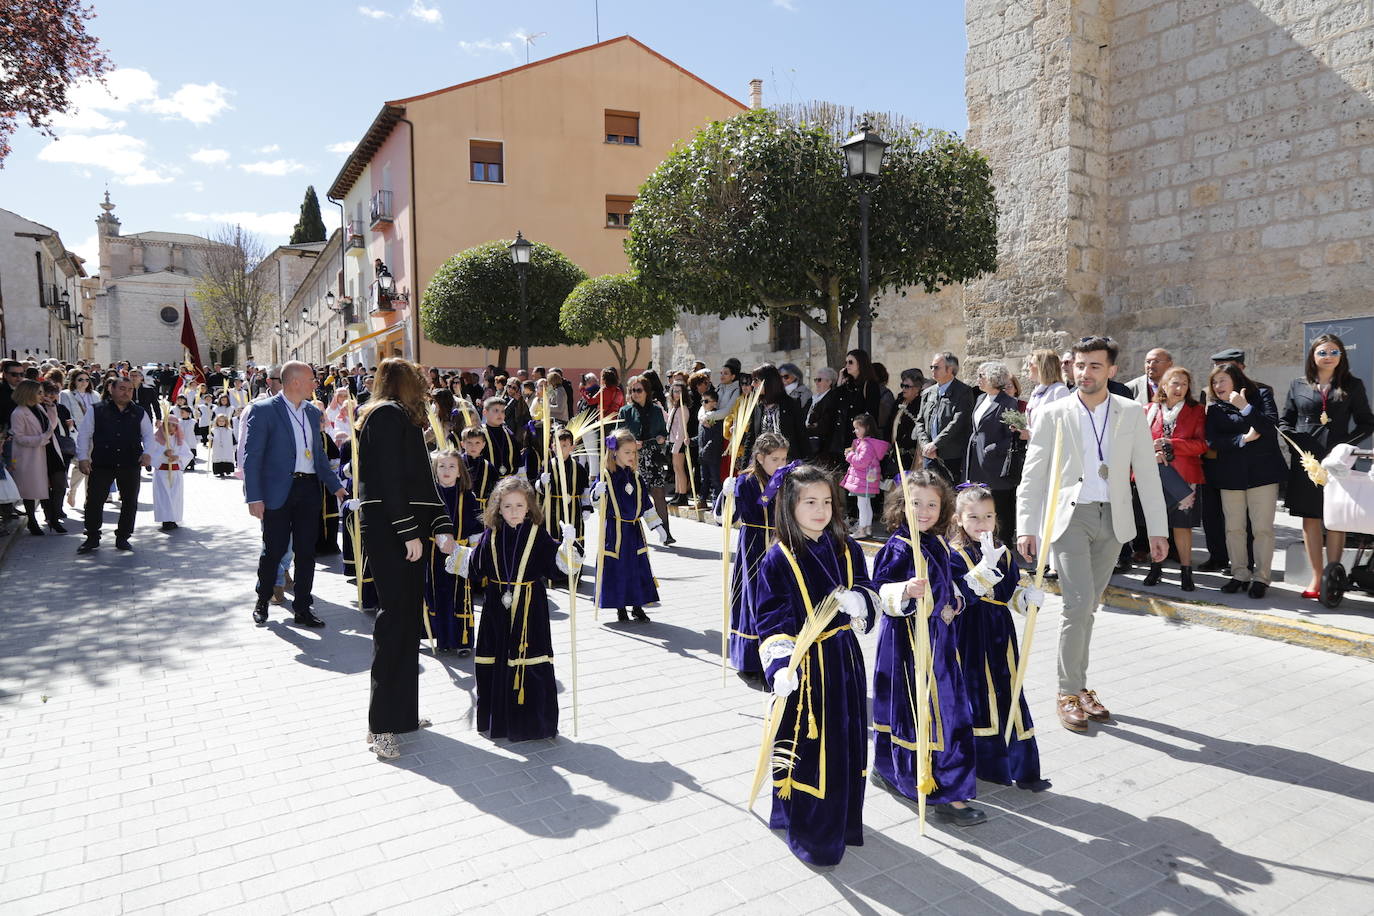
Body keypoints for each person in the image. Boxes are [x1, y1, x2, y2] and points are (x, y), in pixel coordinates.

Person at [1016, 336, 1167, 732]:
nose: (1085, 373)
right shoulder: (1054, 413)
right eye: (1079, 366)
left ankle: (1080, 686)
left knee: (1089, 607)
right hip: (1071, 518)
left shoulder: (1131, 412)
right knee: (1077, 604)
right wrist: (1026, 527)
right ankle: (1067, 691)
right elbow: (1033, 474)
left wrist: (1158, 529)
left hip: (1114, 520)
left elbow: (1147, 475)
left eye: (1095, 366)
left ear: (1112, 370)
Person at [752, 462, 876, 865]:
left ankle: (843, 820)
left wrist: (863, 601)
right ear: (790, 506)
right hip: (805, 671)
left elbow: (866, 590)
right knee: (812, 750)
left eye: (827, 501)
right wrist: (780, 666)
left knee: (847, 744)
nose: (821, 510)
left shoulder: (848, 548)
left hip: (844, 660)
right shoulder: (778, 559)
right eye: (810, 502)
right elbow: (770, 619)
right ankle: (812, 832)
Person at [352, 359, 457, 759]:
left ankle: (403, 715)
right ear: (402, 382)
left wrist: (440, 523)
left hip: (404, 531)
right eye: (419, 379)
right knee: (394, 625)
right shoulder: (384, 415)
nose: (426, 384)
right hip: (392, 532)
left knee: (409, 623)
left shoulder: (403, 418)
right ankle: (380, 727)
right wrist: (408, 530)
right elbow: (387, 482)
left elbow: (420, 481)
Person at [871, 469, 985, 825]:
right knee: (918, 711)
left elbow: (948, 590)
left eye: (932, 504)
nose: (924, 511)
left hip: (939, 640)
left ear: (944, 507)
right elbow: (879, 591)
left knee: (944, 711)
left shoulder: (936, 543)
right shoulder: (897, 547)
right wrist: (903, 591)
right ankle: (933, 787)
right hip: (906, 644)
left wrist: (953, 602)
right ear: (900, 505)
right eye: (915, 503)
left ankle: (938, 780)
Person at [452, 476, 579, 742]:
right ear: (497, 508)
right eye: (507, 506)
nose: (513, 512)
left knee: (530, 659)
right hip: (497, 607)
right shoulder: (492, 535)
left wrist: (568, 547)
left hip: (530, 607)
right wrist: (453, 551)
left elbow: (556, 568)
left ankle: (533, 725)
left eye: (519, 506)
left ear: (529, 507)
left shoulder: (538, 534)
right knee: (497, 659)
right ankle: (499, 722)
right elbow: (476, 566)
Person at [947, 483, 1050, 792]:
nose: (983, 524)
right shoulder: (952, 554)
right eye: (974, 517)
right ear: (958, 519)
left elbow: (1009, 593)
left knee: (1008, 689)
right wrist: (983, 571)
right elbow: (957, 595)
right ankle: (984, 765)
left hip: (999, 632)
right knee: (977, 692)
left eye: (989, 516)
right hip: (969, 632)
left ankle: (1021, 765)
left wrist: (1025, 598)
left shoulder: (1003, 553)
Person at [242, 361, 348, 628]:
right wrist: (253, 497)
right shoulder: (263, 410)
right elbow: (252, 457)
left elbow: (319, 455)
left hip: (308, 490)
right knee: (274, 550)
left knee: (305, 552)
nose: (316, 383)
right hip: (277, 492)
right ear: (296, 382)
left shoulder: (312, 412)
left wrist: (336, 486)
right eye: (312, 379)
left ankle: (302, 607)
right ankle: (263, 599)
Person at [1280, 333, 1374, 598]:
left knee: (1336, 519)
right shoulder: (1297, 384)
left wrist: (1343, 448)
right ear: (1313, 355)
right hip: (1307, 462)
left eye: (1334, 352)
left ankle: (1332, 579)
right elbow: (1285, 421)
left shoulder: (1353, 385)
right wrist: (1296, 445)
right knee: (1310, 518)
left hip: (1336, 462)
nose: (1328, 356)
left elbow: (1367, 422)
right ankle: (1315, 579)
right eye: (1322, 352)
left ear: (1341, 356)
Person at [1205, 364, 1288, 599]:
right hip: (1231, 476)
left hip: (1263, 474)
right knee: (1234, 529)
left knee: (1262, 529)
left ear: (1235, 379)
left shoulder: (1261, 396)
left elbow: (1270, 427)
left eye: (1222, 380)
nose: (1217, 386)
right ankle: (1239, 574)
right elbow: (1212, 441)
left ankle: (1261, 578)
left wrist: (1245, 408)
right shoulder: (1215, 409)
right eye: (1214, 382)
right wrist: (1242, 438)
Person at [716, 432, 790, 677]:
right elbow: (725, 519)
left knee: (778, 597)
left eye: (784, 459)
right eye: (775, 459)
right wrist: (726, 496)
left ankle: (778, 655)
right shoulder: (746, 481)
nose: (781, 464)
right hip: (754, 546)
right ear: (759, 458)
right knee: (753, 596)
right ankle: (751, 659)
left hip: (781, 544)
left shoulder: (787, 480)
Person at [1140, 367, 1207, 591]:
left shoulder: (1196, 410)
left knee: (1182, 526)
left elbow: (1202, 445)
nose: (1179, 389)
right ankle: (1155, 568)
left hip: (1184, 479)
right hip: (1153, 476)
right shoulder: (1148, 410)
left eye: (1184, 384)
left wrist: (1172, 445)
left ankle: (1186, 573)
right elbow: (1135, 445)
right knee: (1155, 526)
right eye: (1175, 383)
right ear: (1164, 386)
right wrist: (1152, 452)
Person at [592, 429, 669, 622]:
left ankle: (637, 605)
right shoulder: (606, 476)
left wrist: (658, 526)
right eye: (627, 452)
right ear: (614, 452)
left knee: (636, 567)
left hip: (634, 531)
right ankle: (620, 607)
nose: (631, 456)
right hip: (615, 531)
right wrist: (596, 494)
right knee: (617, 568)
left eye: (634, 452)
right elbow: (595, 503)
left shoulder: (636, 477)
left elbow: (645, 504)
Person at [75, 376, 156, 553]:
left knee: (129, 501)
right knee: (95, 501)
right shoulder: (96, 410)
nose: (126, 392)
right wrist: (82, 457)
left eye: (129, 389)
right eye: (122, 388)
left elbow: (149, 435)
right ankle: (92, 537)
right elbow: (84, 435)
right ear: (111, 389)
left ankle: (123, 537)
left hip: (130, 462)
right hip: (103, 462)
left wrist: (148, 453)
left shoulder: (139, 412)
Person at [424, 449, 482, 655]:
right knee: (436, 593)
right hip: (434, 554)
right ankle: (440, 636)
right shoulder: (429, 495)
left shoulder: (468, 496)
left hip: (461, 552)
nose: (446, 470)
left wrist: (474, 549)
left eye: (452, 466)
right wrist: (436, 536)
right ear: (435, 469)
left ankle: (462, 640)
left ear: (459, 472)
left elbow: (476, 525)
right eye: (442, 466)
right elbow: (423, 521)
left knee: (461, 595)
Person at [964, 360, 1023, 545]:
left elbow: (1016, 435)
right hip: (976, 462)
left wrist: (993, 448)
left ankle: (1002, 547)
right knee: (979, 503)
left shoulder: (1009, 403)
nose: (978, 379)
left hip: (996, 466)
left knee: (999, 509)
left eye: (981, 376)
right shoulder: (981, 399)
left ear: (993, 378)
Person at [619, 375, 674, 544]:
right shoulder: (626, 411)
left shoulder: (656, 410)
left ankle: (666, 532)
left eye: (638, 390)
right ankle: (633, 533)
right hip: (632, 459)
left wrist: (661, 438)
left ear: (647, 391)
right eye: (632, 390)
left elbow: (664, 433)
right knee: (633, 495)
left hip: (653, 458)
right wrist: (631, 442)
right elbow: (618, 435)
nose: (635, 394)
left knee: (659, 493)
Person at [915, 351, 977, 484]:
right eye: (931, 367)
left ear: (950, 370)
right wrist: (926, 445)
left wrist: (935, 444)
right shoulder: (927, 393)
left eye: (936, 367)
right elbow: (920, 421)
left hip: (951, 456)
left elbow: (958, 422)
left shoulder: (964, 392)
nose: (932, 370)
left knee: (951, 495)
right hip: (929, 455)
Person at [9, 380, 61, 535]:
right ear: (29, 393)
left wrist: (51, 408)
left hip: (46, 452)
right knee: (30, 490)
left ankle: (52, 519)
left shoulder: (39, 408)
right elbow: (19, 437)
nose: (42, 395)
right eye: (39, 392)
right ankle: (32, 521)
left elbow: (50, 427)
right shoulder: (18, 413)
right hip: (29, 456)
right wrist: (41, 439)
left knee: (50, 486)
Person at [741, 363, 809, 463]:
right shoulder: (757, 407)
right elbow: (751, 439)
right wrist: (744, 467)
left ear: (768, 382)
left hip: (787, 464)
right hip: (764, 465)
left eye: (756, 380)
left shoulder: (791, 404)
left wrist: (807, 465)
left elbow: (802, 437)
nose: (752, 384)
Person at [840, 413, 888, 539]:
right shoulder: (867, 443)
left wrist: (850, 455)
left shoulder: (866, 445)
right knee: (866, 505)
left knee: (862, 506)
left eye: (857, 428)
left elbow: (861, 462)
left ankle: (862, 529)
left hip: (863, 480)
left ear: (866, 428)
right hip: (867, 480)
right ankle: (867, 529)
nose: (855, 431)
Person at [151, 411, 191, 531]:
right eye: (168, 424)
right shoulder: (157, 439)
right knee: (164, 497)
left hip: (175, 472)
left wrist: (177, 457)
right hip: (162, 472)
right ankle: (165, 520)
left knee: (175, 496)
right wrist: (163, 454)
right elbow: (150, 454)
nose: (171, 427)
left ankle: (173, 518)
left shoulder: (179, 440)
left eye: (174, 425)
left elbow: (188, 454)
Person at [805, 367, 850, 475]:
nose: (816, 383)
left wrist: (811, 427)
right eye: (815, 380)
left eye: (819, 380)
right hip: (811, 447)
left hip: (823, 448)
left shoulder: (831, 399)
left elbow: (824, 425)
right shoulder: (813, 398)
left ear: (829, 382)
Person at [1024, 348, 1071, 431]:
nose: (1028, 367)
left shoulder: (1059, 391)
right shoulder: (1036, 391)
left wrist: (1031, 434)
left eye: (1031, 364)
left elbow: (1063, 426)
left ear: (1043, 367)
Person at [697, 389, 724, 505]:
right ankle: (702, 499)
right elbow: (701, 436)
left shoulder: (716, 418)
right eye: (702, 401)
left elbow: (716, 437)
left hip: (712, 455)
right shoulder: (703, 418)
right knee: (704, 479)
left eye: (706, 401)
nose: (703, 403)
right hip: (703, 454)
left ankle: (717, 503)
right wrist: (692, 441)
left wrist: (706, 449)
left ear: (715, 402)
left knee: (715, 480)